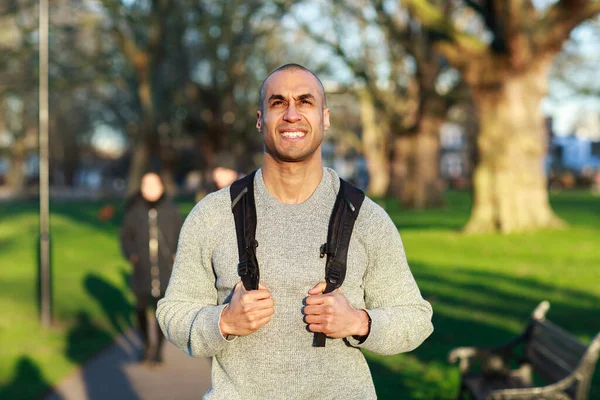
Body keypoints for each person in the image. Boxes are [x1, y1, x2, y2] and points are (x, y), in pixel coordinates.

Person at [156, 64, 433, 398]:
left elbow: (416, 318)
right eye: (278, 103)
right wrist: (223, 321)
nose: (291, 114)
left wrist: (359, 323)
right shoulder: (213, 214)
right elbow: (172, 311)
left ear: (325, 118)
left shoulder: (365, 217)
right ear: (260, 120)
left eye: (305, 101)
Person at [120, 172, 182, 364]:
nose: (150, 189)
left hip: (165, 270)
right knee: (139, 308)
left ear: (161, 187)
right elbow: (125, 237)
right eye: (146, 184)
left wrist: (175, 253)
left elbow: (182, 237)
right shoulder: (134, 211)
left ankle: (159, 350)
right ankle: (146, 343)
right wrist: (132, 255)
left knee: (161, 312)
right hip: (142, 270)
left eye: (154, 184)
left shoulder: (171, 211)